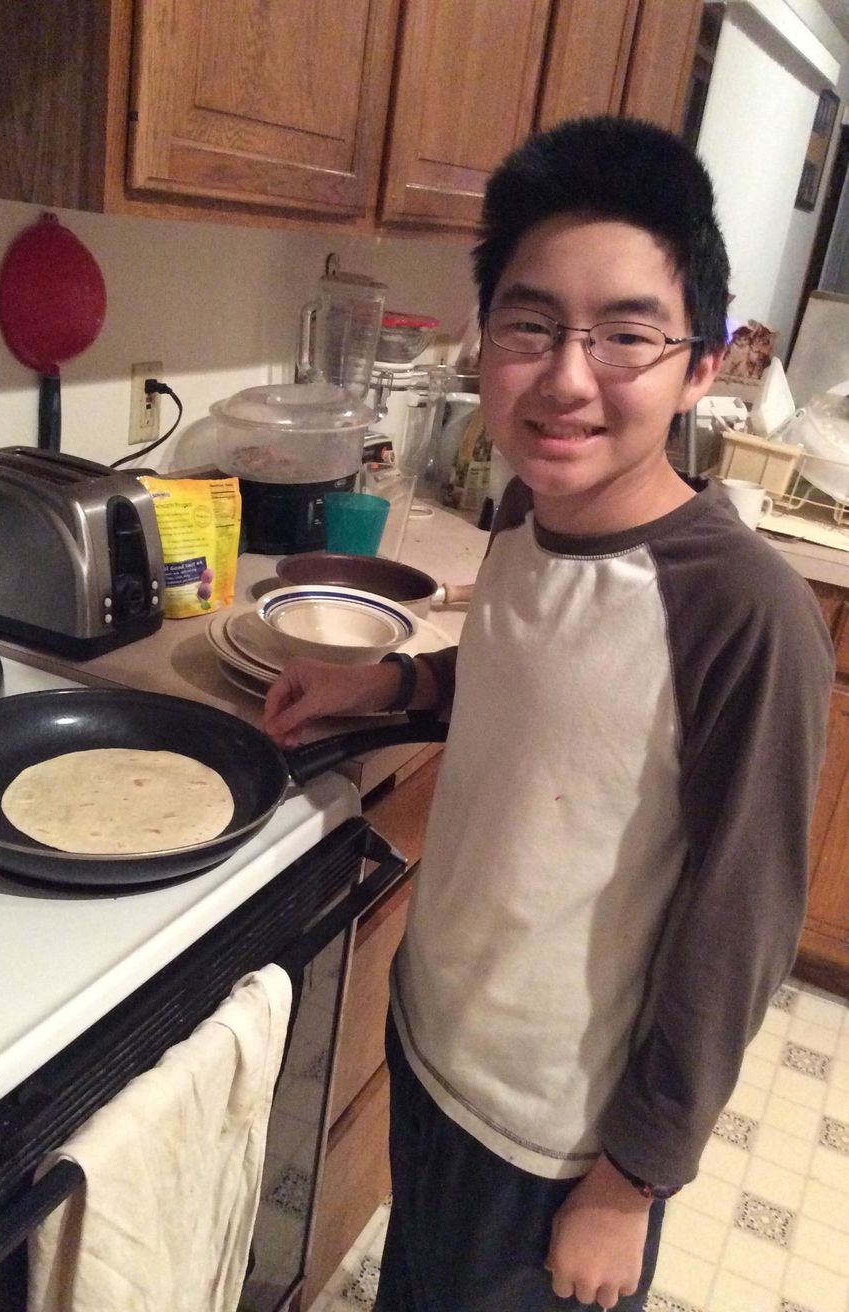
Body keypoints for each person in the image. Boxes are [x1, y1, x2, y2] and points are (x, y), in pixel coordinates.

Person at [263, 116, 834, 1311]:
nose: (567, 378)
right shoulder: (528, 513)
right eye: (530, 325)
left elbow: (737, 927)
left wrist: (632, 1182)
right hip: (434, 1040)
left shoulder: (741, 609)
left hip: (561, 1143)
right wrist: (386, 684)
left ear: (699, 364)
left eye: (625, 334)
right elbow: (527, 681)